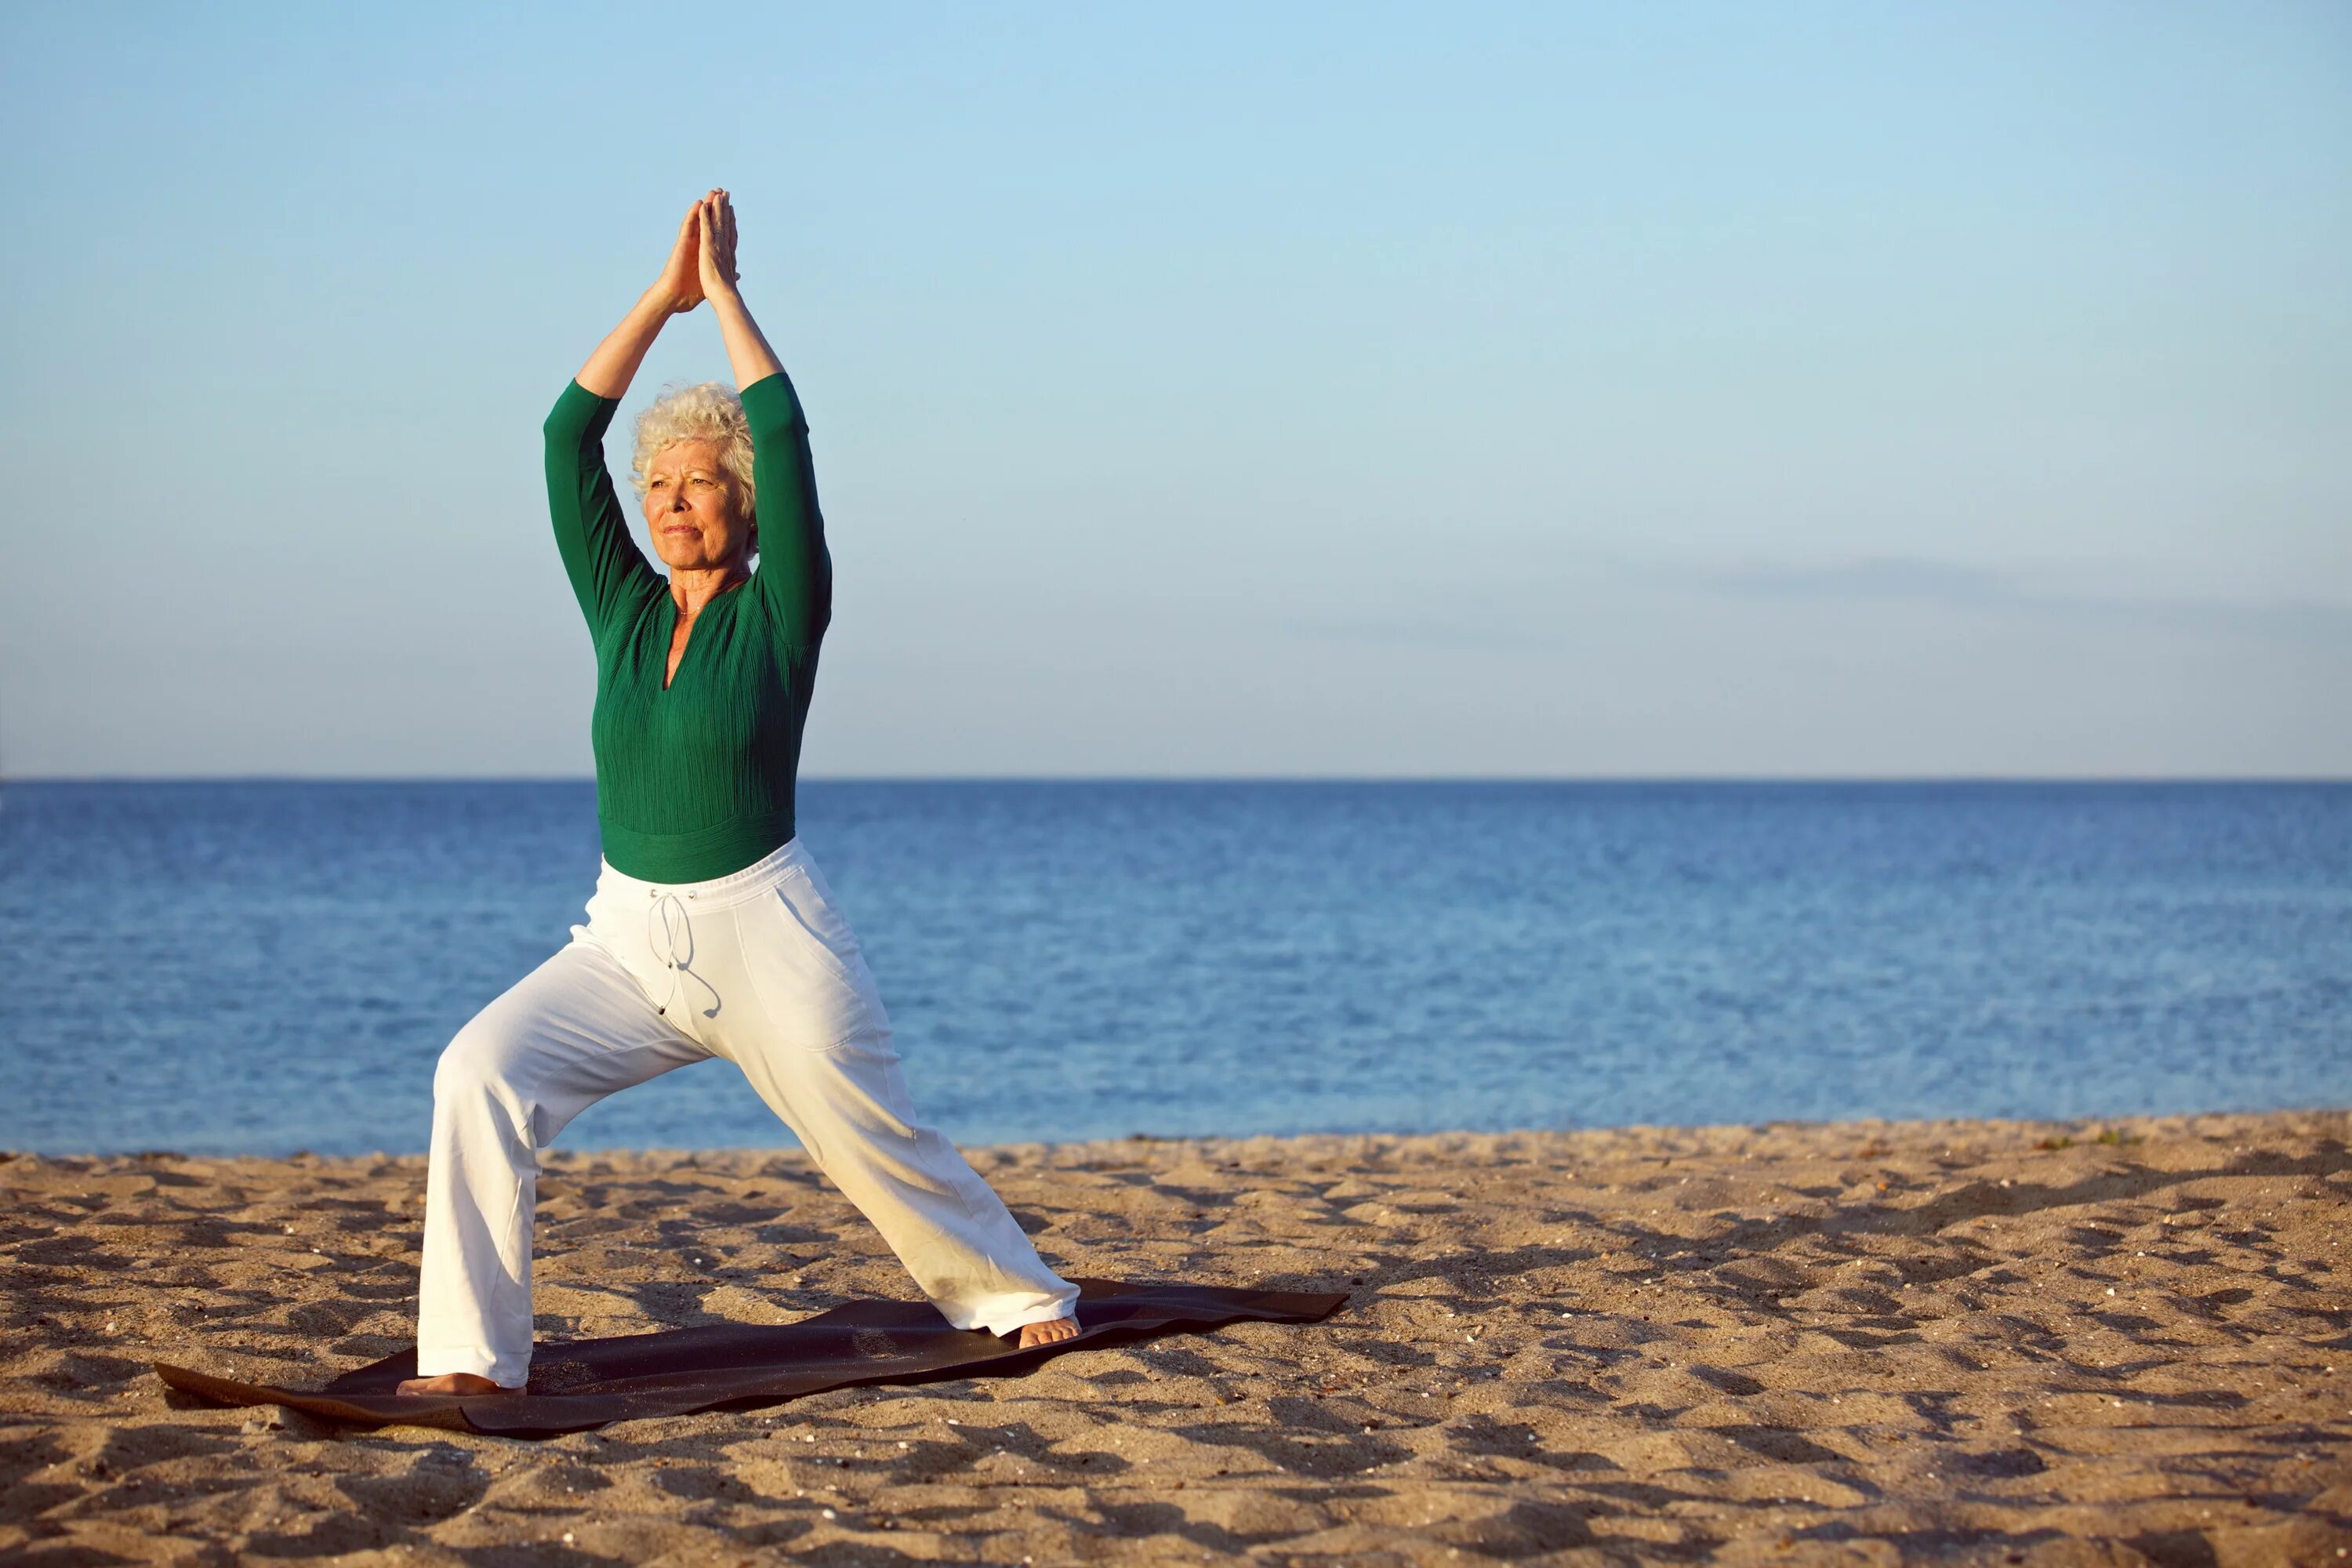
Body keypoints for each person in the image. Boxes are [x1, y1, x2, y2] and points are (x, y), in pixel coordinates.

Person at [397, 190, 1080, 1397]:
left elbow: (789, 430)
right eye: (657, 483)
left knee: (869, 1137)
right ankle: (470, 1360)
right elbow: (565, 440)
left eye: (698, 482)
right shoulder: (622, 607)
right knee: (477, 1073)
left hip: (767, 930)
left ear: (742, 502)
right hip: (624, 941)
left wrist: (724, 299)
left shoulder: (782, 612)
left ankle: (1019, 1292)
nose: (668, 500)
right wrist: (659, 299)